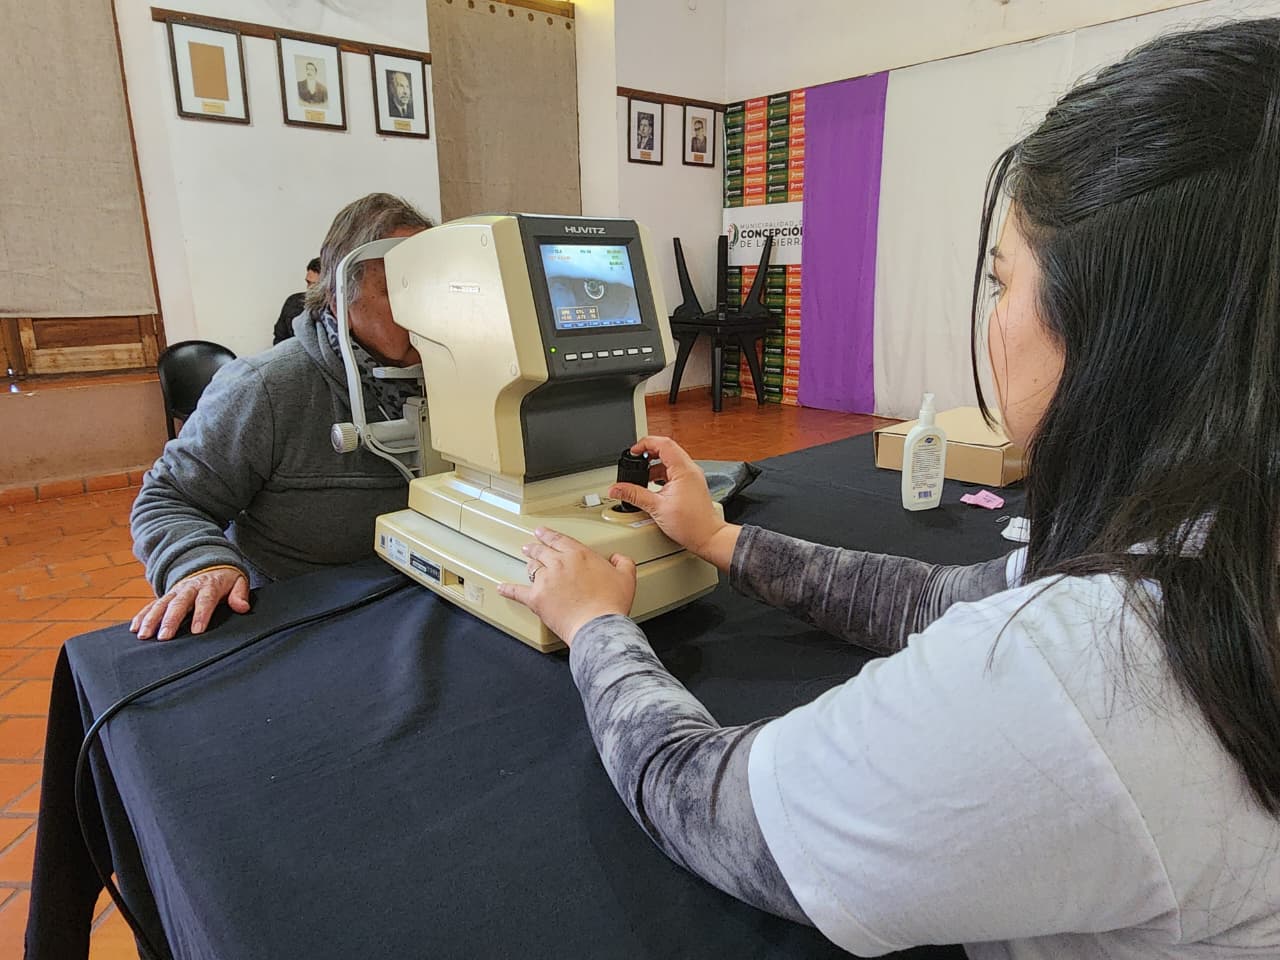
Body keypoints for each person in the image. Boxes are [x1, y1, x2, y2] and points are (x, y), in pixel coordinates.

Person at [498, 20, 1280, 958]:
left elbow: (704, 803)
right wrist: (719, 540)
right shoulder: (1214, 542)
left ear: (1122, 325)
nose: (995, 315)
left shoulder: (1082, 674)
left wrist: (595, 627)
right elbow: (939, 598)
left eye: (1003, 281)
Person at [130, 193, 433, 641]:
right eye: (400, 288)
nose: (427, 308)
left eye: (435, 286)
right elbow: (169, 497)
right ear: (338, 297)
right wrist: (200, 563)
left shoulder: (466, 377)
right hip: (305, 616)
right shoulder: (266, 387)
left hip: (424, 604)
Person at [272, 256, 320, 345]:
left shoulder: (338, 310)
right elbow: (279, 339)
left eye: (315, 285)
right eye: (308, 282)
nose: (309, 288)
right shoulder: (293, 302)